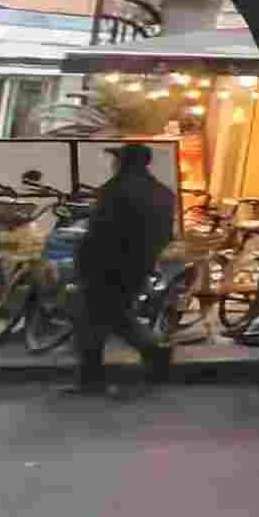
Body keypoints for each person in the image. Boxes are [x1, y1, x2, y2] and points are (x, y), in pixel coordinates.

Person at [70, 143, 176, 396]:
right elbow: (164, 234)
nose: (113, 163)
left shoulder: (114, 190)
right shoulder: (162, 193)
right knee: (115, 315)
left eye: (116, 158)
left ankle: (92, 379)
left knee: (91, 319)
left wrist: (82, 262)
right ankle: (155, 353)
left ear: (124, 162)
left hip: (105, 265)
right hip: (138, 265)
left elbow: (98, 233)